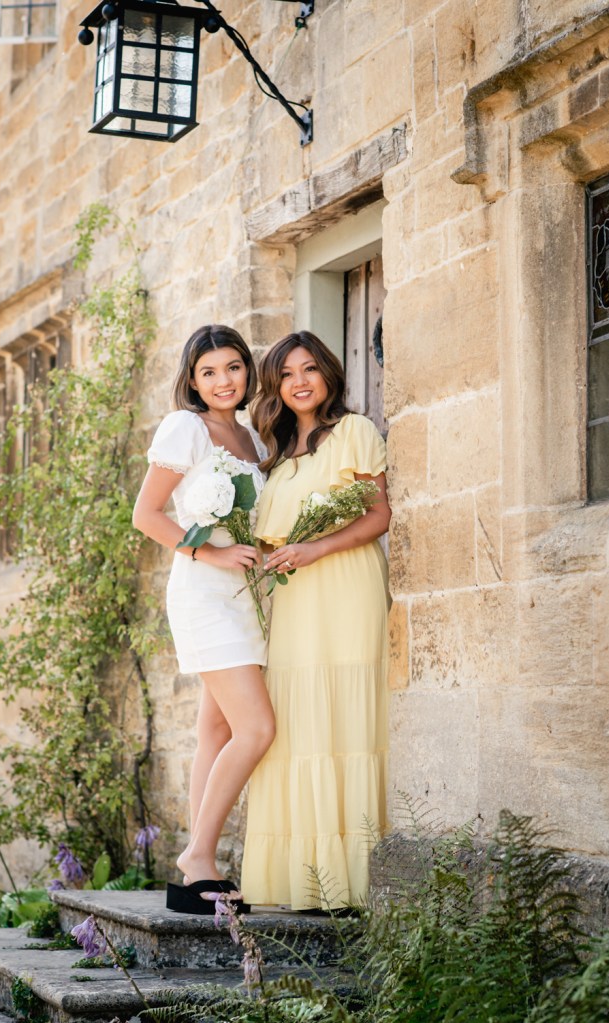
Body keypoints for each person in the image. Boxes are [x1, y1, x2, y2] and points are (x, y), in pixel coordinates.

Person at [240, 331, 391, 911]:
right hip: (295, 602)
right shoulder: (274, 456)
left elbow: (379, 516)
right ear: (276, 386)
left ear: (328, 372)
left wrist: (317, 549)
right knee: (298, 723)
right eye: (287, 374)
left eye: (310, 369)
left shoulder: (354, 432)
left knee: (345, 716)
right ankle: (303, 877)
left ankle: (353, 879)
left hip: (346, 587)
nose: (300, 381)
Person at [132, 324, 275, 914]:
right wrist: (209, 552)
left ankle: (197, 867)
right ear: (192, 379)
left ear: (248, 371)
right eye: (209, 371)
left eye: (234, 368)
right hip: (203, 594)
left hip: (248, 598)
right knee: (258, 729)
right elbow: (146, 514)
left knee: (216, 731)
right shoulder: (184, 428)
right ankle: (199, 857)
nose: (224, 381)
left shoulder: (253, 438)